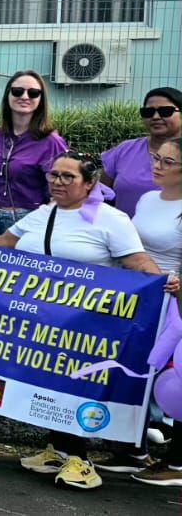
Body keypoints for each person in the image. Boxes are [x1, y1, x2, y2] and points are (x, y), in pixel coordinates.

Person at [0, 153, 175, 490]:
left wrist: (163, 281)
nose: (57, 182)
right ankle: (59, 449)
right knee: (48, 384)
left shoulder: (111, 219)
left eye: (67, 177)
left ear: (90, 183)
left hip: (87, 326)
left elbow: (137, 260)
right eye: (53, 175)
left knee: (74, 387)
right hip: (44, 323)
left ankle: (81, 462)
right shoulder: (42, 214)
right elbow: (3, 244)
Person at [132, 136, 182, 486]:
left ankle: (178, 461)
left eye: (167, 162)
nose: (157, 166)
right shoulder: (148, 199)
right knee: (138, 372)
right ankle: (131, 449)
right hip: (143, 300)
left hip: (176, 305)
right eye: (156, 158)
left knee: (176, 380)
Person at [0, 71, 68, 235]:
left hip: (29, 218)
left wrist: (43, 217)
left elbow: (66, 188)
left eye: (33, 93)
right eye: (18, 91)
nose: (25, 96)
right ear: (8, 95)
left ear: (41, 99)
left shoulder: (51, 141)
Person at [102, 87, 182, 217]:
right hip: (121, 234)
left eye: (165, 111)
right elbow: (101, 196)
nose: (156, 117)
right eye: (148, 112)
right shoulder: (124, 150)